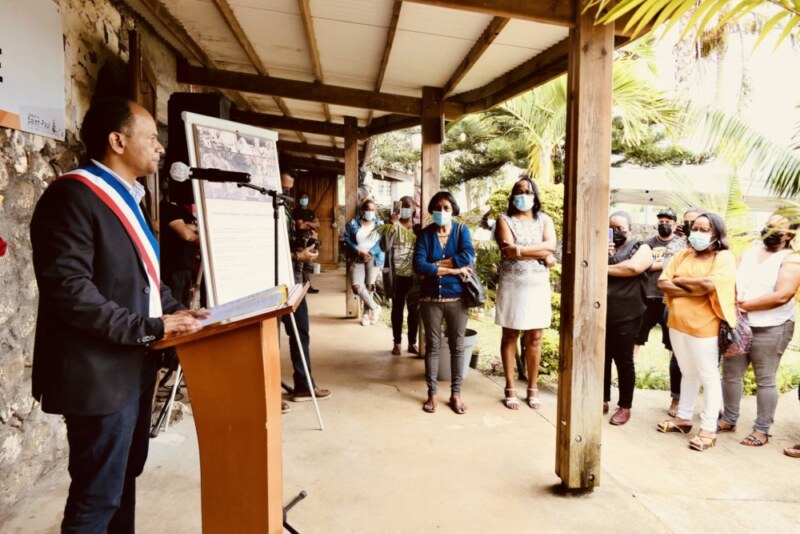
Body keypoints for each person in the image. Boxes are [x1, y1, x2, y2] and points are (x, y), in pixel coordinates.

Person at [29, 97, 208, 532]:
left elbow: (147, 282)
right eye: (151, 137)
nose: (160, 148)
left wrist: (183, 314)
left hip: (130, 368)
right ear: (117, 140)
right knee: (96, 498)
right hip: (98, 376)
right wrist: (150, 328)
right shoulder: (71, 196)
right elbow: (70, 292)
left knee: (122, 483)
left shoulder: (130, 199)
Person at [657, 212, 737, 452]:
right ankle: (683, 418)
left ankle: (709, 428)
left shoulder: (723, 258)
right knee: (686, 371)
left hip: (704, 328)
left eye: (705, 230)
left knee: (708, 376)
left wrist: (678, 282)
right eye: (696, 228)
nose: (698, 233)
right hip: (677, 323)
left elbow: (709, 285)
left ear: (716, 234)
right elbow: (662, 282)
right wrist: (692, 287)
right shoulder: (683, 254)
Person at [719, 213, 800, 447]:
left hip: (771, 326)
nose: (770, 231)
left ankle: (762, 429)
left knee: (765, 378)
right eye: (768, 225)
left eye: (778, 228)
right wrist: (733, 304)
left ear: (789, 235)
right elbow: (728, 279)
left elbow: (782, 295)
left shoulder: (791, 259)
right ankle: (729, 418)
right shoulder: (749, 253)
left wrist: (740, 306)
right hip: (739, 324)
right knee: (731, 374)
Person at [494, 177, 557, 410]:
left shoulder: (545, 220)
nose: (523, 195)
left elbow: (551, 246)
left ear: (535, 195)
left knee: (535, 337)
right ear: (513, 196)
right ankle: (510, 386)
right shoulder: (504, 220)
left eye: (528, 191)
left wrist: (520, 250)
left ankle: (532, 387)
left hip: (537, 285)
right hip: (512, 284)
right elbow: (508, 252)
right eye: (519, 191)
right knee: (510, 334)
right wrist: (541, 254)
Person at [413, 191, 475, 415]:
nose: (441, 212)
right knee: (432, 346)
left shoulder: (461, 231)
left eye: (446, 208)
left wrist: (437, 264)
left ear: (453, 210)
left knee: (457, 347)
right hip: (430, 299)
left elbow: (467, 255)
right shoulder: (425, 234)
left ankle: (456, 393)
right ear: (432, 210)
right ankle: (432, 393)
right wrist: (454, 270)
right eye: (437, 208)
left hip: (457, 298)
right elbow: (419, 265)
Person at [279, 171, 332, 409]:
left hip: (296, 281)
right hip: (271, 284)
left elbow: (295, 237)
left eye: (289, 189)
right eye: (283, 188)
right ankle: (267, 392)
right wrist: (294, 255)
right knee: (267, 338)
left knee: (301, 334)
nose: (286, 194)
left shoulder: (288, 211)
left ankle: (304, 385)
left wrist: (304, 251)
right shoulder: (264, 210)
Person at [604, 211, 653, 425]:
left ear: (630, 229)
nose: (615, 232)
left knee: (624, 361)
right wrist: (602, 255)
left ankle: (625, 406)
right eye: (611, 228)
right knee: (601, 359)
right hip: (602, 312)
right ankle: (602, 399)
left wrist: (602, 267)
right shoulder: (603, 247)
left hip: (628, 314)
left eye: (620, 228)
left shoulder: (641, 248)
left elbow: (633, 267)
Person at [660, 206, 704, 416]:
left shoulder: (713, 246)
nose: (690, 226)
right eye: (687, 222)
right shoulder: (676, 244)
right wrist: (694, 285)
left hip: (704, 312)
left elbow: (713, 282)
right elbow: (667, 277)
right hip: (675, 307)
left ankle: (711, 405)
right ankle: (677, 400)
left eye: (694, 222)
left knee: (708, 360)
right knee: (678, 357)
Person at [634, 208, 678, 412]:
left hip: (669, 300)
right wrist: (664, 263)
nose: (665, 223)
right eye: (661, 220)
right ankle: (629, 390)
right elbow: (641, 266)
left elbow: (675, 268)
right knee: (635, 342)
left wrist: (654, 263)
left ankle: (676, 398)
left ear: (675, 224)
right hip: (646, 298)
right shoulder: (647, 243)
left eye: (669, 220)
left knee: (674, 350)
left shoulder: (680, 244)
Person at [381, 195, 421, 356]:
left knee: (414, 311)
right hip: (397, 274)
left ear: (413, 209)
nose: (405, 209)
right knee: (397, 309)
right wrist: (391, 225)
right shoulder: (392, 225)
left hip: (414, 274)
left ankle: (412, 343)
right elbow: (385, 247)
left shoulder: (418, 228)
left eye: (408, 206)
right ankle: (397, 343)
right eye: (403, 206)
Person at [344, 199, 385, 326]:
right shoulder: (353, 224)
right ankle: (375, 307)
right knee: (356, 286)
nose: (370, 212)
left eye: (372, 210)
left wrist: (370, 253)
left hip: (374, 257)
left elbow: (382, 243)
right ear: (362, 211)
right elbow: (347, 238)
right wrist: (358, 250)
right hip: (357, 257)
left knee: (369, 286)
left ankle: (366, 315)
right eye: (368, 209)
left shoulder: (380, 224)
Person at [159, 185, 199, 307]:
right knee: (175, 307)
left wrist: (193, 228)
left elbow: (198, 226)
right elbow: (186, 234)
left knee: (186, 306)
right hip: (174, 267)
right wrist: (197, 231)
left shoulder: (183, 210)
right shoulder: (166, 208)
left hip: (187, 266)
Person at [293, 191, 321, 293]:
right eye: (302, 197)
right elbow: (300, 226)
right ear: (299, 199)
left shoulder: (310, 212)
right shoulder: (297, 211)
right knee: (300, 266)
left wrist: (307, 223)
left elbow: (318, 224)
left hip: (310, 241)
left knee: (308, 266)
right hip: (300, 242)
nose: (304, 199)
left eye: (306, 197)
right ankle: (298, 289)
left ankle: (307, 286)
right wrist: (311, 224)